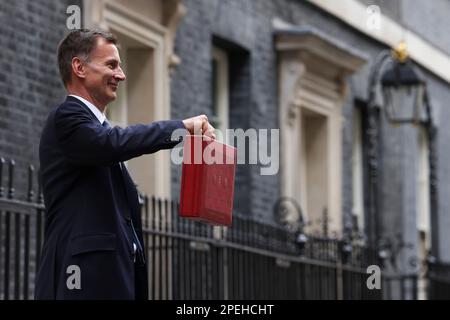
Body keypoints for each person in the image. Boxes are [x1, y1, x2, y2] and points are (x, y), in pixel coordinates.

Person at [34, 28, 215, 299]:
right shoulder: (67, 117)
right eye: (111, 65)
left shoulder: (97, 130)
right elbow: (113, 143)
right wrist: (181, 128)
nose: (121, 75)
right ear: (79, 67)